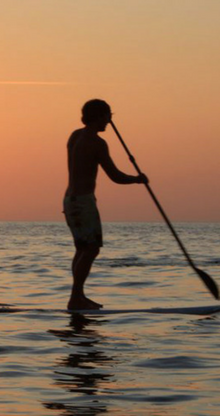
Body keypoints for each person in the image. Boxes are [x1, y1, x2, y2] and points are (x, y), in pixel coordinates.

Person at [64, 99, 148, 310]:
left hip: (70, 200)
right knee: (91, 250)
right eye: (108, 116)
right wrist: (137, 179)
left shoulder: (75, 135)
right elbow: (115, 176)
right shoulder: (96, 142)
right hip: (83, 202)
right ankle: (76, 298)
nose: (109, 121)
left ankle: (78, 296)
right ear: (99, 116)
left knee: (81, 249)